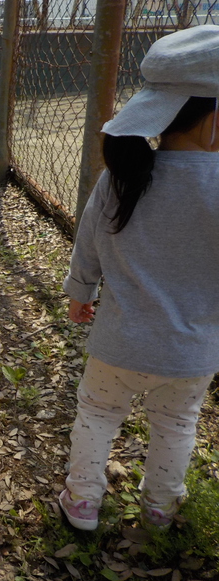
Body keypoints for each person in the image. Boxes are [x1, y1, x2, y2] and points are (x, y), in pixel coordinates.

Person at [59, 25, 219, 532]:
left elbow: (88, 244)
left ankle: (82, 503)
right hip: (191, 353)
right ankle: (160, 509)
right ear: (215, 119)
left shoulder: (123, 175)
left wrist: (80, 293)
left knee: (97, 414)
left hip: (118, 343)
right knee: (175, 424)